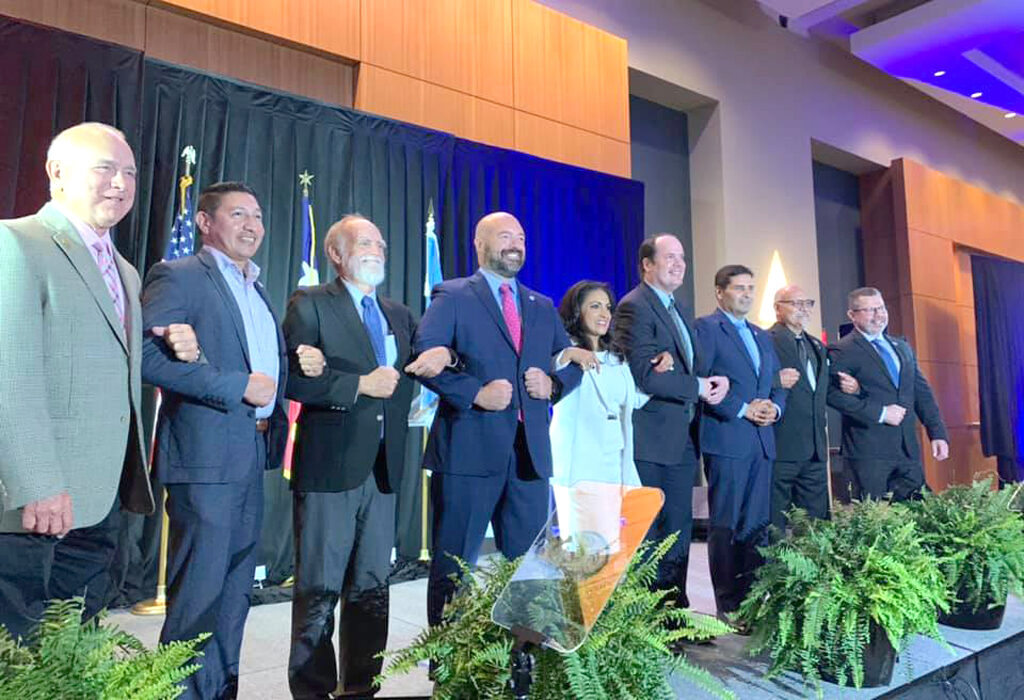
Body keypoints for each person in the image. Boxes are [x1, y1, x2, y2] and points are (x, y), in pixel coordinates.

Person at [0, 122, 196, 640]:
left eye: (129, 172)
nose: (120, 183)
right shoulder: (16, 242)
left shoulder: (127, 272)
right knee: (19, 658)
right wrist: (39, 483)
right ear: (57, 173)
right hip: (35, 505)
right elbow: (10, 372)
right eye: (104, 168)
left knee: (72, 654)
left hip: (101, 498)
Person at [282, 215, 452, 699]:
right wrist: (357, 385)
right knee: (318, 590)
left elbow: (431, 358)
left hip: (383, 473)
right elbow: (291, 380)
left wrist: (447, 360)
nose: (376, 249)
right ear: (336, 254)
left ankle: (360, 689)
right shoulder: (311, 303)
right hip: (329, 472)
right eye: (364, 242)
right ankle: (313, 691)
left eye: (380, 241)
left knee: (372, 588)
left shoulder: (399, 314)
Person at [141, 181, 295, 699]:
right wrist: (236, 387)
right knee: (198, 597)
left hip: (251, 455)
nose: (252, 225)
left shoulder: (258, 287)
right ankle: (179, 693)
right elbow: (146, 358)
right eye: (238, 214)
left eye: (257, 215)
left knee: (234, 593)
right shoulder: (180, 276)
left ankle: (219, 691)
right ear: (206, 223)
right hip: (204, 463)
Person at [413, 211, 587, 627]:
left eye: (522, 238)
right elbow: (421, 359)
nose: (516, 244)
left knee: (532, 571)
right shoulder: (452, 295)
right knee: (454, 568)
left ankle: (525, 664)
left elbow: (574, 361)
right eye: (505, 236)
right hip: (467, 458)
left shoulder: (541, 306)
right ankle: (447, 669)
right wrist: (476, 393)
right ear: (479, 243)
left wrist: (554, 385)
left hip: (529, 461)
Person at [613, 234, 729, 609]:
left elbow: (682, 368)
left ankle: (674, 616)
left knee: (677, 532)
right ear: (647, 264)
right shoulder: (635, 307)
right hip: (652, 440)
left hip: (681, 439)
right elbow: (644, 377)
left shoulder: (676, 307)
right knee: (652, 534)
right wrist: (696, 385)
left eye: (682, 257)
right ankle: (648, 618)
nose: (679, 264)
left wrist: (712, 381)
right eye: (670, 257)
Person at [695, 264, 786, 618]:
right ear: (720, 292)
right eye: (739, 288)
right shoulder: (706, 328)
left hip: (762, 441)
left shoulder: (762, 335)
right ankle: (729, 607)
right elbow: (703, 380)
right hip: (727, 439)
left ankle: (753, 602)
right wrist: (744, 409)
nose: (747, 294)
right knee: (727, 525)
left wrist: (774, 409)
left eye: (751, 288)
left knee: (756, 526)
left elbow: (777, 384)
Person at [826, 287, 949, 501]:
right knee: (875, 525)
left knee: (917, 517)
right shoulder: (842, 350)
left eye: (881, 308)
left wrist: (937, 432)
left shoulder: (901, 347)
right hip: (868, 454)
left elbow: (921, 393)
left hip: (907, 450)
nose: (879, 315)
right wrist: (880, 413)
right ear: (852, 315)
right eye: (870, 310)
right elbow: (832, 395)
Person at [767, 284, 858, 530]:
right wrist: (775, 380)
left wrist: (854, 390)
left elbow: (823, 392)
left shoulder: (817, 346)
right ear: (777, 309)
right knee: (774, 526)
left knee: (815, 526)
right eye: (795, 304)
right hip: (781, 449)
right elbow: (751, 382)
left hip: (816, 452)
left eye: (807, 304)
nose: (803, 309)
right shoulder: (766, 341)